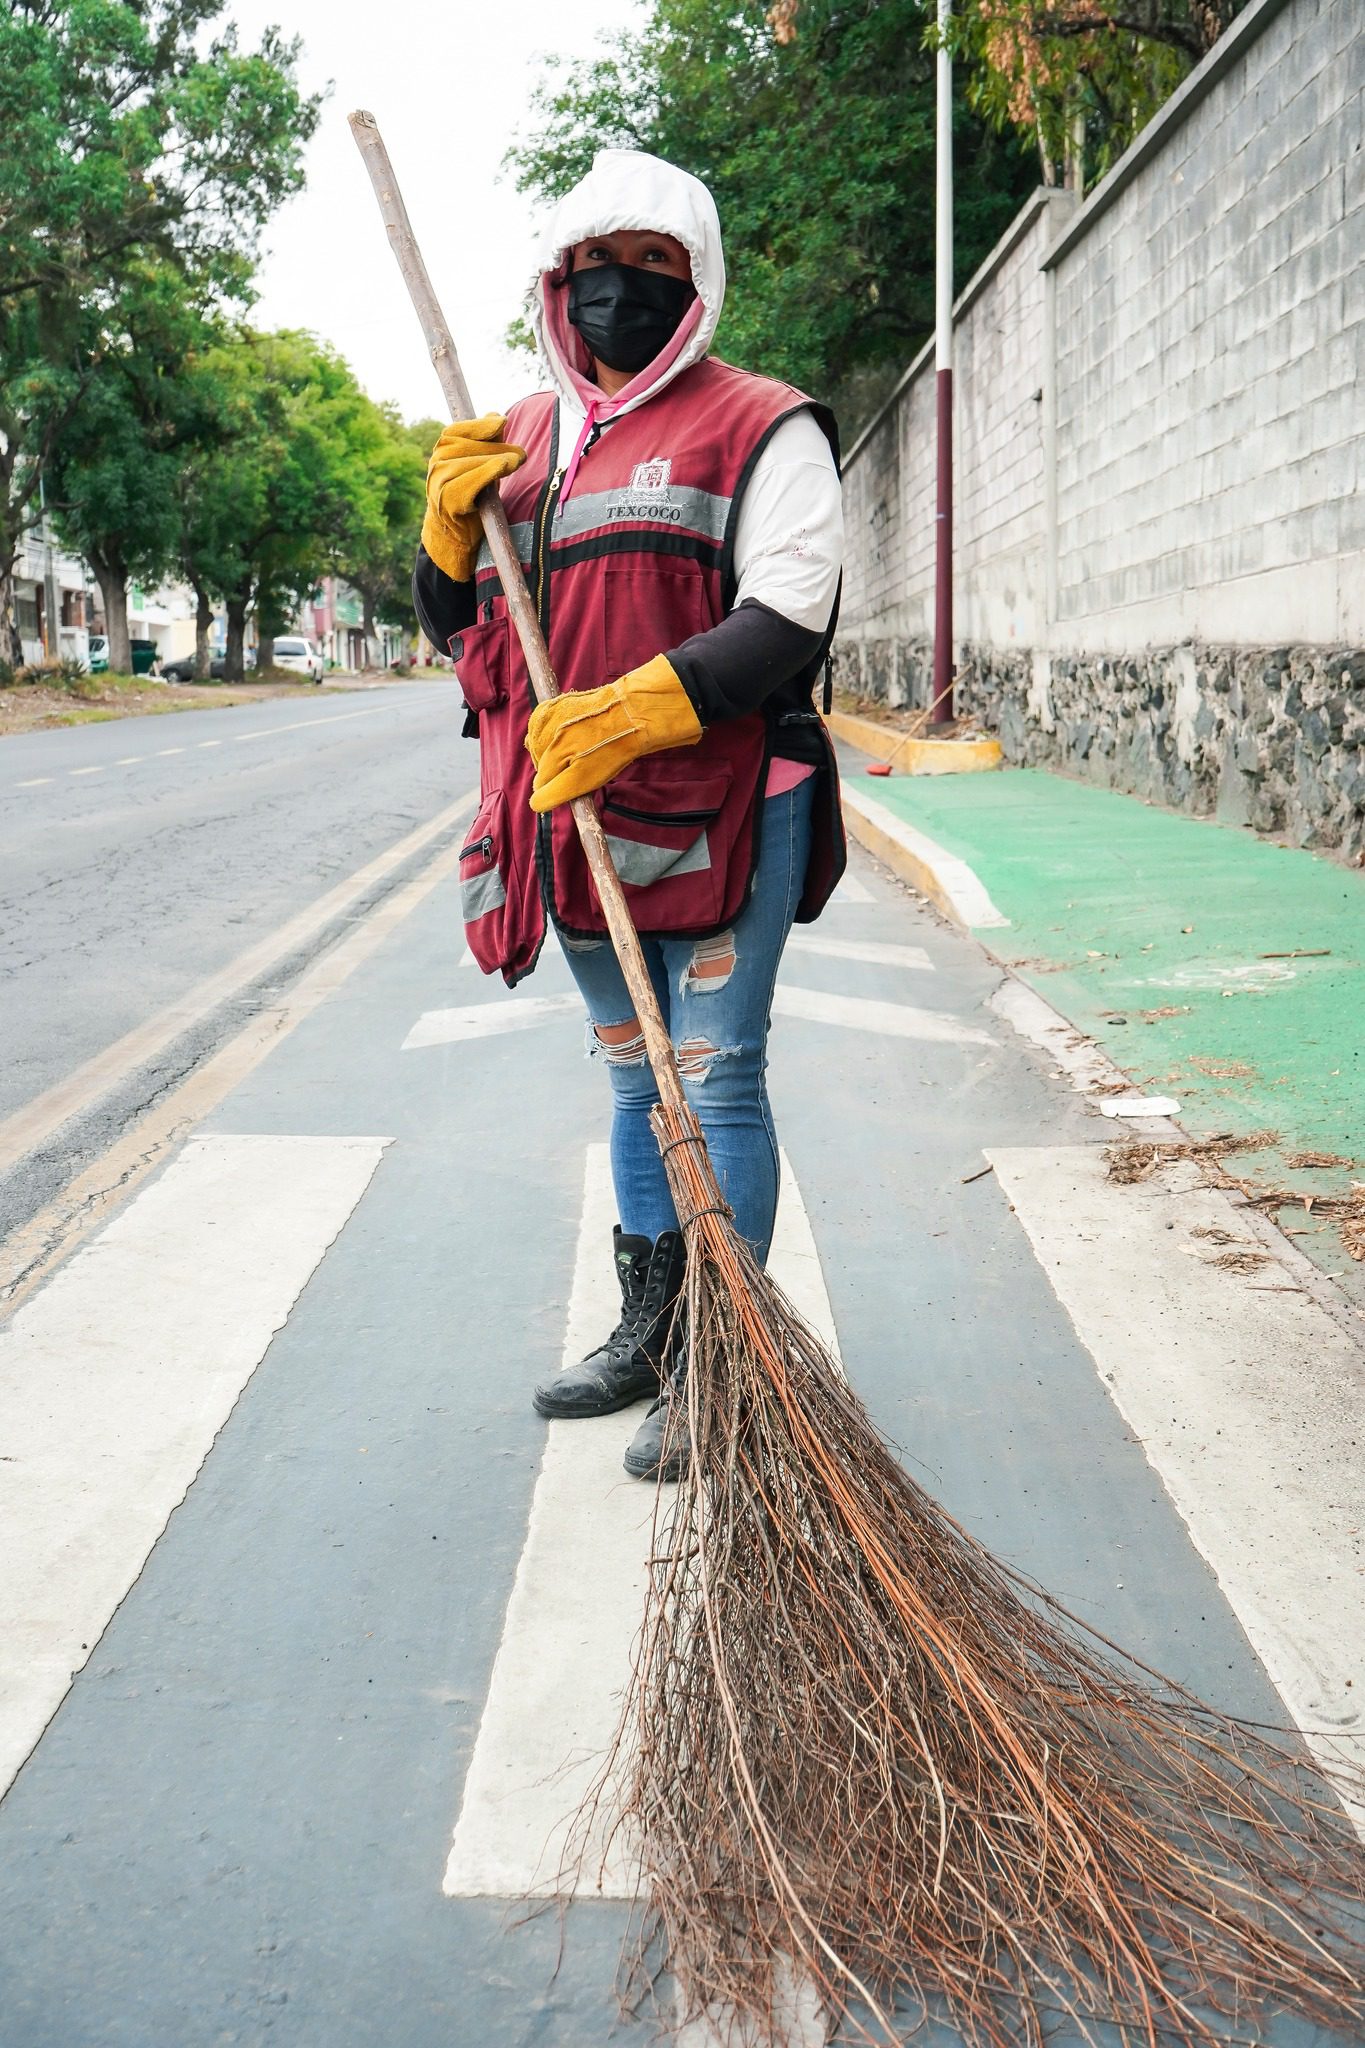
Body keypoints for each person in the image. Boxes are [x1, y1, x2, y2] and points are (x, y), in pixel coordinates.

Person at [413, 150, 844, 1481]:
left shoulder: (761, 424)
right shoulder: (523, 440)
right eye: (601, 263)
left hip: (724, 803)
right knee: (626, 1072)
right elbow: (466, 628)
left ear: (696, 285)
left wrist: (643, 705)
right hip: (577, 820)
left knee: (711, 1071)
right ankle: (651, 1329)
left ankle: (730, 1366)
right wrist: (440, 538)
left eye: (656, 267)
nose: (622, 290)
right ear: (558, 281)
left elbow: (789, 612)